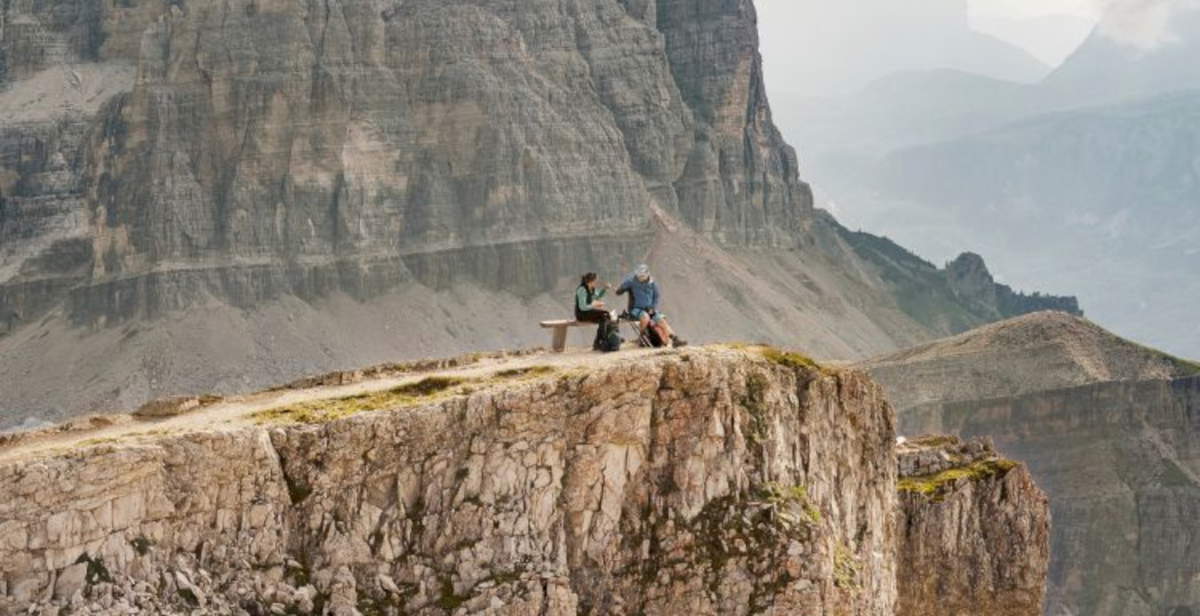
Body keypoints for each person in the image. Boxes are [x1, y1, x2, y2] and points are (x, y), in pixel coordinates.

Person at [616, 264, 687, 347]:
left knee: (661, 321)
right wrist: (620, 289)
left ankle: (675, 339)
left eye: (642, 276)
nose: (640, 278)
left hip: (649, 309)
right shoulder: (631, 281)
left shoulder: (652, 283)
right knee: (645, 317)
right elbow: (619, 291)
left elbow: (656, 296)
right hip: (636, 309)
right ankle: (642, 337)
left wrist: (653, 307)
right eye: (639, 276)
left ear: (647, 274)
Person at [575, 272, 614, 350]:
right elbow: (582, 307)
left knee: (604, 318)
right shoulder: (582, 290)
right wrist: (594, 305)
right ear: (591, 281)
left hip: (588, 311)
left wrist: (605, 289)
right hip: (581, 314)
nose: (597, 282)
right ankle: (601, 340)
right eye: (596, 281)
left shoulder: (592, 288)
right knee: (605, 314)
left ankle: (599, 342)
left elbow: (598, 296)